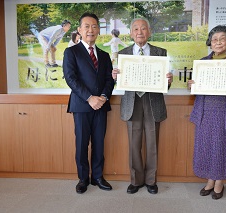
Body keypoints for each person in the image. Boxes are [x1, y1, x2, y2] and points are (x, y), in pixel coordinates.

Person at [187, 25, 226, 200]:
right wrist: (191, 86)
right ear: (210, 43)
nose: (218, 42)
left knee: (223, 148)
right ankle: (209, 180)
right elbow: (195, 89)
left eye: (222, 39)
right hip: (205, 112)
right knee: (206, 147)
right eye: (214, 39)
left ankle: (219, 182)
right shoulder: (202, 63)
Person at [112, 18, 173, 194]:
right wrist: (115, 77)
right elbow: (119, 83)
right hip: (132, 102)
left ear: (149, 32)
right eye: (136, 29)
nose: (140, 32)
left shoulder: (160, 52)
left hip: (153, 100)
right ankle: (136, 180)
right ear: (131, 33)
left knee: (152, 143)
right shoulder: (123, 53)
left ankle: (151, 181)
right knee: (134, 143)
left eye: (143, 28)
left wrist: (168, 81)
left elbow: (163, 83)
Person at [63, 13, 115, 194]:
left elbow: (110, 80)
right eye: (86, 26)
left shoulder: (104, 55)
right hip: (81, 105)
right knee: (82, 143)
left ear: (99, 30)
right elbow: (71, 78)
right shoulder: (71, 52)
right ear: (79, 30)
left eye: (94, 26)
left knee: (99, 143)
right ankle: (83, 178)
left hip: (101, 105)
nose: (90, 30)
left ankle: (98, 177)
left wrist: (102, 97)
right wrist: (89, 98)